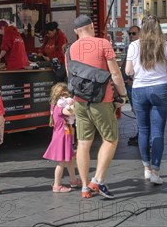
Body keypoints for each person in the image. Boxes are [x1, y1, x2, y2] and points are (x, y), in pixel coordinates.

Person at [68, 15, 126, 199]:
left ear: (76, 31)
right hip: (102, 100)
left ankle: (85, 187)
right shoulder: (103, 43)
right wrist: (123, 94)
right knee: (110, 139)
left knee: (83, 143)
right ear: (92, 26)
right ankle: (98, 180)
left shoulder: (69, 49)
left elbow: (71, 76)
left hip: (80, 101)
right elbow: (115, 73)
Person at [125, 16, 167, 185]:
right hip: (160, 88)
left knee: (143, 129)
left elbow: (128, 71)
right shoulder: (166, 44)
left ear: (142, 28)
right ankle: (155, 171)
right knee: (158, 132)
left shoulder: (134, 45)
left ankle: (146, 168)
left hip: (139, 89)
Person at [43, 82, 80, 193]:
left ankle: (73, 180)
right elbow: (72, 111)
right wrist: (76, 103)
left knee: (70, 159)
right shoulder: (60, 107)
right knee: (61, 162)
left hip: (64, 135)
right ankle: (57, 185)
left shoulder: (54, 105)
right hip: (62, 136)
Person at [120, 25, 140, 146]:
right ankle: (140, 134)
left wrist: (131, 78)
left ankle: (141, 135)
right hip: (129, 82)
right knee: (136, 110)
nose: (131, 36)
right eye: (129, 33)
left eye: (133, 33)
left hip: (133, 83)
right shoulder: (132, 46)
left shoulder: (138, 46)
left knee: (138, 110)